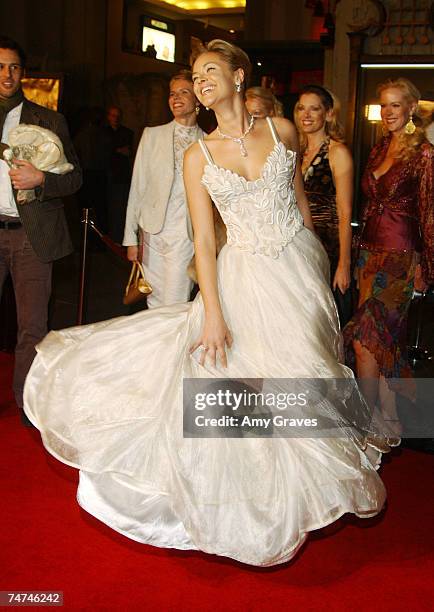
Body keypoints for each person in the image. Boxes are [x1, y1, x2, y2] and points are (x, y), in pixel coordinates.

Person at [24, 40, 388, 567]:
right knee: (240, 385)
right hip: (241, 276)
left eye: (209, 72)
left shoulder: (281, 131)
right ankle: (251, 503)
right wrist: (212, 312)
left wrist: (324, 260)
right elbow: (202, 240)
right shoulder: (198, 155)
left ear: (239, 78)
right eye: (195, 77)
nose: (200, 82)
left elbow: (299, 202)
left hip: (296, 273)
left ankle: (290, 497)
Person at [343, 77, 434, 441]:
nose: (388, 112)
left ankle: (363, 421)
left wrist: (427, 266)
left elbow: (429, 212)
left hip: (400, 258)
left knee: (365, 339)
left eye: (396, 104)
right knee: (380, 338)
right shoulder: (379, 148)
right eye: (384, 105)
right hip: (368, 255)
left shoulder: (424, 154)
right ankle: (389, 416)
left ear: (411, 107)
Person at [0, 36, 81, 424]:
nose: (7, 74)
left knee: (32, 326)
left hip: (31, 234)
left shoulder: (49, 120)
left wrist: (41, 179)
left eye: (14, 67)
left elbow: (74, 179)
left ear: (23, 74)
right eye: (0, 66)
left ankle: (25, 402)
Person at [123, 70, 203, 307]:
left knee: (175, 302)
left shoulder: (209, 142)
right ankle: (155, 345)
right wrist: (130, 239)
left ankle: (172, 344)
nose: (176, 98)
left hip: (185, 236)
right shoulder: (152, 135)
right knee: (153, 301)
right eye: (172, 93)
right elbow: (137, 188)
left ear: (198, 98)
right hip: (152, 234)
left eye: (184, 92)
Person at [294, 85, 353, 327]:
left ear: (328, 114)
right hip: (296, 242)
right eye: (301, 108)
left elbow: (345, 211)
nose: (306, 115)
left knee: (321, 319)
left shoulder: (337, 152)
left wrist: (344, 263)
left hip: (326, 245)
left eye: (314, 109)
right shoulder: (294, 151)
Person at [104, 105, 133, 244]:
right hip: (105, 175)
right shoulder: (102, 132)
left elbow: (128, 151)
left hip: (121, 176)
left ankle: (119, 237)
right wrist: (116, 150)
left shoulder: (126, 132)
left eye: (117, 116)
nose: (115, 119)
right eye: (112, 115)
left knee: (121, 208)